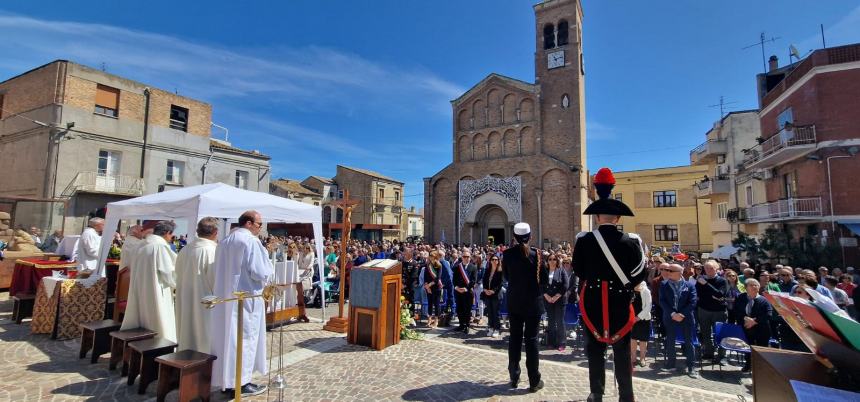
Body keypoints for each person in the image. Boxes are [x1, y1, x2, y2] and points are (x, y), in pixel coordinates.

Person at [572, 168, 647, 402]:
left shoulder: (584, 241)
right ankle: (626, 395)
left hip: (592, 302)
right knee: (623, 352)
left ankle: (597, 393)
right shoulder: (631, 242)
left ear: (596, 218)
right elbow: (640, 273)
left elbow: (578, 270)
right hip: (620, 303)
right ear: (618, 218)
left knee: (594, 350)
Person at [210, 211, 273, 397]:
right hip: (246, 299)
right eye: (259, 224)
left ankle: (227, 381)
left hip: (226, 298)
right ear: (248, 223)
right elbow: (260, 272)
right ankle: (242, 383)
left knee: (228, 339)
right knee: (245, 339)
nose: (260, 227)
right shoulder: (250, 241)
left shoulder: (225, 241)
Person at [503, 222, 548, 393]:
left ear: (513, 237)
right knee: (532, 340)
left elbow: (506, 277)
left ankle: (514, 376)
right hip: (533, 304)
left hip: (515, 302)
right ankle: (534, 380)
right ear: (530, 236)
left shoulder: (507, 255)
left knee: (514, 339)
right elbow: (544, 280)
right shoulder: (537, 255)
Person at [120, 221, 178, 342]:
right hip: (155, 291)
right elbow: (168, 272)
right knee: (157, 322)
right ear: (167, 233)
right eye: (171, 235)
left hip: (140, 289)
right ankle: (159, 345)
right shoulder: (160, 246)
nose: (171, 238)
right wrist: (177, 284)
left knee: (142, 317)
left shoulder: (140, 245)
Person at [174, 217, 218, 353]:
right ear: (215, 232)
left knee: (187, 333)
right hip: (205, 301)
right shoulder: (212, 251)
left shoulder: (184, 250)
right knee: (204, 338)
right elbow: (215, 280)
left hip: (185, 298)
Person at [659, 263, 698, 378]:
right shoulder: (664, 284)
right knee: (670, 341)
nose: (667, 272)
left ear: (679, 273)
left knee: (688, 342)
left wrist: (681, 314)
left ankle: (691, 366)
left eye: (671, 271)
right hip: (670, 317)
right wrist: (672, 313)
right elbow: (662, 301)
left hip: (686, 318)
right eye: (667, 270)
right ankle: (671, 363)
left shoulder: (689, 285)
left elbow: (692, 302)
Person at [732, 278, 772, 373]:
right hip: (746, 328)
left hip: (762, 330)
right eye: (751, 285)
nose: (754, 287)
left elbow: (768, 314)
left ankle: (760, 369)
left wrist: (754, 321)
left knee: (761, 350)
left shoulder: (764, 300)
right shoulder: (740, 297)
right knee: (747, 347)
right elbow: (736, 311)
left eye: (756, 285)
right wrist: (746, 319)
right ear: (746, 288)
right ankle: (748, 365)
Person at [695, 260, 729, 365]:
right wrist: (713, 294)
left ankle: (722, 356)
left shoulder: (722, 281)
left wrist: (706, 285)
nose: (708, 270)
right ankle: (709, 353)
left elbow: (720, 294)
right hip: (703, 309)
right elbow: (699, 294)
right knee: (705, 333)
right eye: (706, 268)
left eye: (711, 268)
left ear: (716, 269)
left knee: (720, 334)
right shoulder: (701, 280)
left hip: (719, 311)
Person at [544, 253, 569, 351]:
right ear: (547, 261)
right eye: (550, 259)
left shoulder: (561, 270)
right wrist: (546, 296)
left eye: (554, 259)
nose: (552, 261)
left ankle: (561, 343)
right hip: (548, 299)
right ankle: (551, 342)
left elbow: (565, 285)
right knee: (551, 321)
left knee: (559, 321)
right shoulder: (544, 271)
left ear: (557, 261)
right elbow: (540, 284)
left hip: (560, 300)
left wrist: (556, 296)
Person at [453, 250, 477, 334]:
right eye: (464, 257)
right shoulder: (457, 267)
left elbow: (473, 280)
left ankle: (467, 325)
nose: (466, 258)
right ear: (461, 257)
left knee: (467, 309)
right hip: (458, 291)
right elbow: (454, 279)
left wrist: (466, 288)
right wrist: (457, 288)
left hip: (468, 292)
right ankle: (461, 325)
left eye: (468, 257)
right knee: (459, 309)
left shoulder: (473, 267)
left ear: (470, 258)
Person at [630, 280, 652, 368]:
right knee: (633, 339)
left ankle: (642, 358)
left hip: (644, 318)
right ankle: (633, 357)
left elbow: (648, 306)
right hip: (632, 319)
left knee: (643, 340)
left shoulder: (646, 291)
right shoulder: (630, 290)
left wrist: (638, 317)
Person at [482, 253, 503, 338]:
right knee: (489, 312)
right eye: (493, 260)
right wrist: (485, 289)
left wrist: (493, 291)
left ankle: (497, 328)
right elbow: (484, 281)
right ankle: (491, 327)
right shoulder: (487, 270)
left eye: (496, 260)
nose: (494, 261)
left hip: (496, 294)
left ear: (498, 261)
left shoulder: (500, 271)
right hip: (487, 294)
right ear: (490, 261)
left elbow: (500, 283)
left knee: (495, 312)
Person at [423, 250, 444, 328]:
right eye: (430, 255)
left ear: (435, 256)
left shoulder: (439, 265)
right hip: (428, 287)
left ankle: (436, 321)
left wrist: (430, 285)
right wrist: (426, 286)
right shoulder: (427, 265)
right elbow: (425, 276)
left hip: (436, 287)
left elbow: (438, 277)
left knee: (436, 304)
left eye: (432, 255)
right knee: (430, 303)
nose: (430, 257)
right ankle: (429, 319)